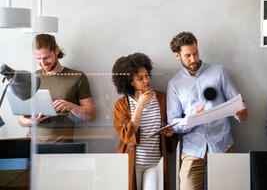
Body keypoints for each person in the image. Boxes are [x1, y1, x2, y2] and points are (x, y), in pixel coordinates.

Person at [166, 32, 248, 190]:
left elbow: (238, 103)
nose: (194, 59)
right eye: (188, 55)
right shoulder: (174, 84)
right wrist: (191, 118)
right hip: (193, 150)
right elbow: (173, 123)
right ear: (177, 56)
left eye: (195, 53)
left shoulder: (219, 72)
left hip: (222, 145)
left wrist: (241, 112)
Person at [112, 53, 177, 190]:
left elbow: (170, 126)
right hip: (132, 162)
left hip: (155, 163)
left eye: (147, 75)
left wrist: (170, 132)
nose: (146, 80)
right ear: (130, 82)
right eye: (140, 78)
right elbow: (126, 136)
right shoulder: (122, 104)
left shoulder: (163, 99)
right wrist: (140, 106)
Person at [18, 34, 96, 142]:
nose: (43, 63)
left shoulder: (77, 77)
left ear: (56, 51)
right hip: (33, 146)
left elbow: (91, 115)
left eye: (46, 57)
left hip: (62, 147)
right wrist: (32, 121)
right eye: (38, 59)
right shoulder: (32, 78)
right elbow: (21, 119)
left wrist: (72, 107)